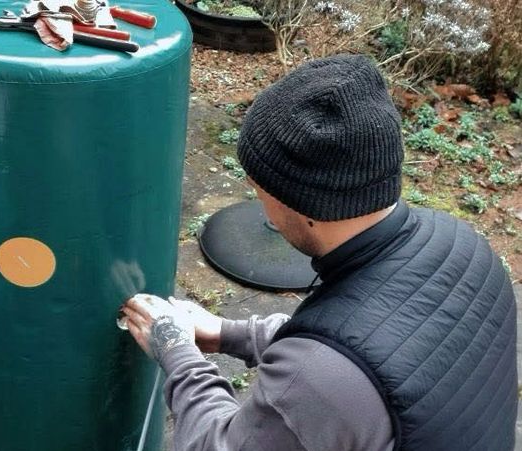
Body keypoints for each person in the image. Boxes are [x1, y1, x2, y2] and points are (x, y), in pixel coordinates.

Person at [121, 54, 518, 451]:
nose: (263, 208)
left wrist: (179, 355)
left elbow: (223, 443)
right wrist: (231, 334)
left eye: (261, 191)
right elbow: (387, 345)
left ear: (299, 204)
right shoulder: (462, 243)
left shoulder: (319, 382)